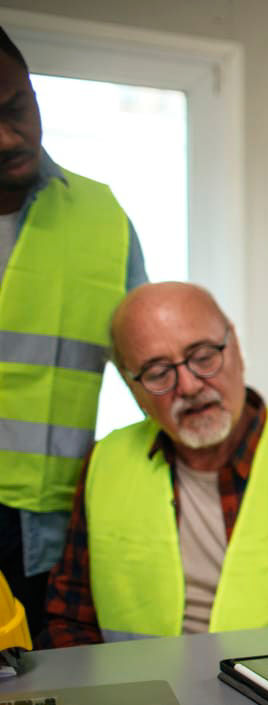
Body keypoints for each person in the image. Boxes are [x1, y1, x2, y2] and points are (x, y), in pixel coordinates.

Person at [42, 282, 268, 645]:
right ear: (134, 389)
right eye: (158, 372)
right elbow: (70, 618)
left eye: (204, 356)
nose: (190, 386)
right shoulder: (106, 460)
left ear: (237, 349)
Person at [0, 26, 148, 640]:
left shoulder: (100, 216)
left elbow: (155, 373)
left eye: (16, 108)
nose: (8, 137)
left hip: (51, 531)